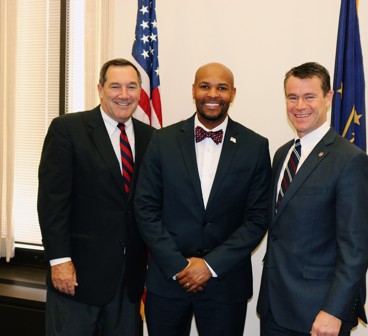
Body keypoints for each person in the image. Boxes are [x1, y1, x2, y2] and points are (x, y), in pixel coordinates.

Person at [134, 62, 271, 336]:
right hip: (167, 280)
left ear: (233, 93)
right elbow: (145, 208)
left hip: (226, 283)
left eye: (221, 88)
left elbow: (257, 219)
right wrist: (179, 266)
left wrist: (210, 266)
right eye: (205, 86)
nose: (213, 94)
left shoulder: (255, 146)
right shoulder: (162, 140)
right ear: (194, 90)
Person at [257, 62, 368, 336]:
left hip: (318, 314)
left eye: (309, 96)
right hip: (274, 308)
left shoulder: (350, 161)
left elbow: (356, 249)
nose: (300, 105)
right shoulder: (282, 154)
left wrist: (334, 311)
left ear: (329, 98)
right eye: (292, 97)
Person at [38, 58, 155, 335]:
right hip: (77, 278)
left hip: (128, 282)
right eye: (115, 86)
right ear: (100, 89)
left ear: (140, 91)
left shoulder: (150, 137)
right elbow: (52, 202)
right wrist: (59, 261)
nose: (124, 95)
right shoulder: (68, 130)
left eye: (131, 87)